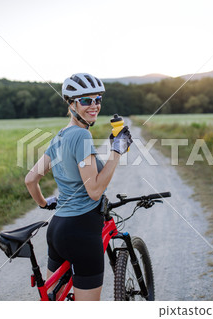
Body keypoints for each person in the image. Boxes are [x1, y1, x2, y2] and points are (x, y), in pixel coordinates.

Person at [25, 73, 133, 301]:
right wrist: (116, 151)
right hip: (82, 231)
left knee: (55, 300)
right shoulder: (82, 136)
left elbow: (30, 180)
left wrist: (45, 204)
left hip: (57, 230)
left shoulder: (59, 137)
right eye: (86, 100)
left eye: (98, 99)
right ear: (71, 103)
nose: (94, 106)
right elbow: (94, 191)